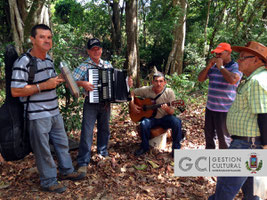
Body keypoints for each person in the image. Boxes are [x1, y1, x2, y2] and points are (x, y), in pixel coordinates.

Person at [10, 24, 84, 193]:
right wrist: (44, 85)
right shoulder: (24, 62)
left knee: (62, 143)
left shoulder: (49, 59)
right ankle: (49, 180)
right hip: (37, 115)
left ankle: (67, 171)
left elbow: (49, 84)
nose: (46, 40)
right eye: (42, 37)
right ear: (33, 39)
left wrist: (59, 79)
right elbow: (15, 90)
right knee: (43, 149)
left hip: (54, 111)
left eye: (49, 37)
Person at [208, 41, 267, 200]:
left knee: (224, 188)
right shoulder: (253, 79)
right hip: (246, 143)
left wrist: (265, 146)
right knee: (251, 191)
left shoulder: (257, 81)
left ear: (256, 60)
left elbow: (264, 114)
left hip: (247, 145)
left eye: (243, 57)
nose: (238, 60)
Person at [73, 38, 113, 175]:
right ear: (88, 51)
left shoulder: (107, 65)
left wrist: (126, 83)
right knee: (87, 132)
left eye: (98, 49)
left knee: (105, 130)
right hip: (90, 103)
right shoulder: (83, 66)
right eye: (93, 49)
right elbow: (69, 82)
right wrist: (82, 83)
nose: (96, 51)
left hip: (106, 103)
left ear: (101, 50)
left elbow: (115, 81)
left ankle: (103, 153)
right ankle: (83, 161)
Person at [198, 43, 242, 149]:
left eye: (220, 53)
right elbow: (200, 79)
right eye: (216, 54)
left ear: (228, 53)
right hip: (210, 108)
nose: (217, 56)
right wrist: (208, 66)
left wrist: (221, 67)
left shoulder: (236, 66)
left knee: (224, 139)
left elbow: (232, 80)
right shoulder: (213, 67)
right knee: (209, 137)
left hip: (225, 110)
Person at [129, 71, 183, 157]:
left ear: (165, 82)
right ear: (153, 82)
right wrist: (132, 105)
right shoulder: (147, 90)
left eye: (161, 81)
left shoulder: (169, 92)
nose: (158, 83)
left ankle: (176, 150)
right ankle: (144, 147)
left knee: (177, 122)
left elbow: (172, 112)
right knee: (144, 124)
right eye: (156, 81)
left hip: (164, 118)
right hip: (151, 119)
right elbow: (132, 92)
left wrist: (167, 108)